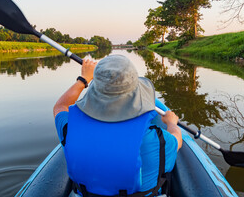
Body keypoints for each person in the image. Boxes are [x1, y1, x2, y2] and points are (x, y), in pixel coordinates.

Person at [54, 55, 182, 197]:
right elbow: (177, 140)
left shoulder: (70, 129)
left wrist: (83, 79)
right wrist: (171, 123)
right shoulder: (155, 140)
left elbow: (60, 107)